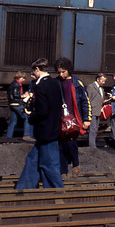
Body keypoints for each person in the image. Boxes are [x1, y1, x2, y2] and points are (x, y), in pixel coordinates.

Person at [15, 58, 64, 189]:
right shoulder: (55, 83)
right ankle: (24, 187)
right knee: (33, 159)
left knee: (49, 164)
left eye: (33, 71)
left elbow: (43, 111)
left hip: (45, 131)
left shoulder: (41, 86)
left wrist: (31, 116)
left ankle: (57, 191)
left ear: (37, 69)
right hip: (53, 128)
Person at [55, 57, 91, 178]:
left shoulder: (77, 83)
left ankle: (75, 164)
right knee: (60, 145)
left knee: (70, 143)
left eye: (63, 71)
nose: (61, 74)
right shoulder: (56, 82)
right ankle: (63, 171)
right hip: (59, 120)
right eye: (59, 72)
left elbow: (85, 102)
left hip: (74, 120)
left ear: (68, 70)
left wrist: (87, 119)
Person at [5, 72, 33, 141]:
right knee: (27, 117)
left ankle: (8, 137)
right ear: (19, 77)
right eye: (23, 78)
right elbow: (16, 95)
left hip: (12, 104)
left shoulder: (12, 83)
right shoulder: (17, 84)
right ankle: (27, 135)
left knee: (13, 121)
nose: (23, 80)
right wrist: (24, 95)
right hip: (17, 104)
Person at [86, 73, 108, 148]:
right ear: (98, 79)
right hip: (92, 111)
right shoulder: (90, 87)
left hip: (98, 111)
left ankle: (93, 144)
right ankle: (92, 146)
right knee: (92, 129)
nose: (103, 83)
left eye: (104, 81)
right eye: (102, 81)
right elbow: (88, 99)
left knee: (95, 129)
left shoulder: (101, 89)